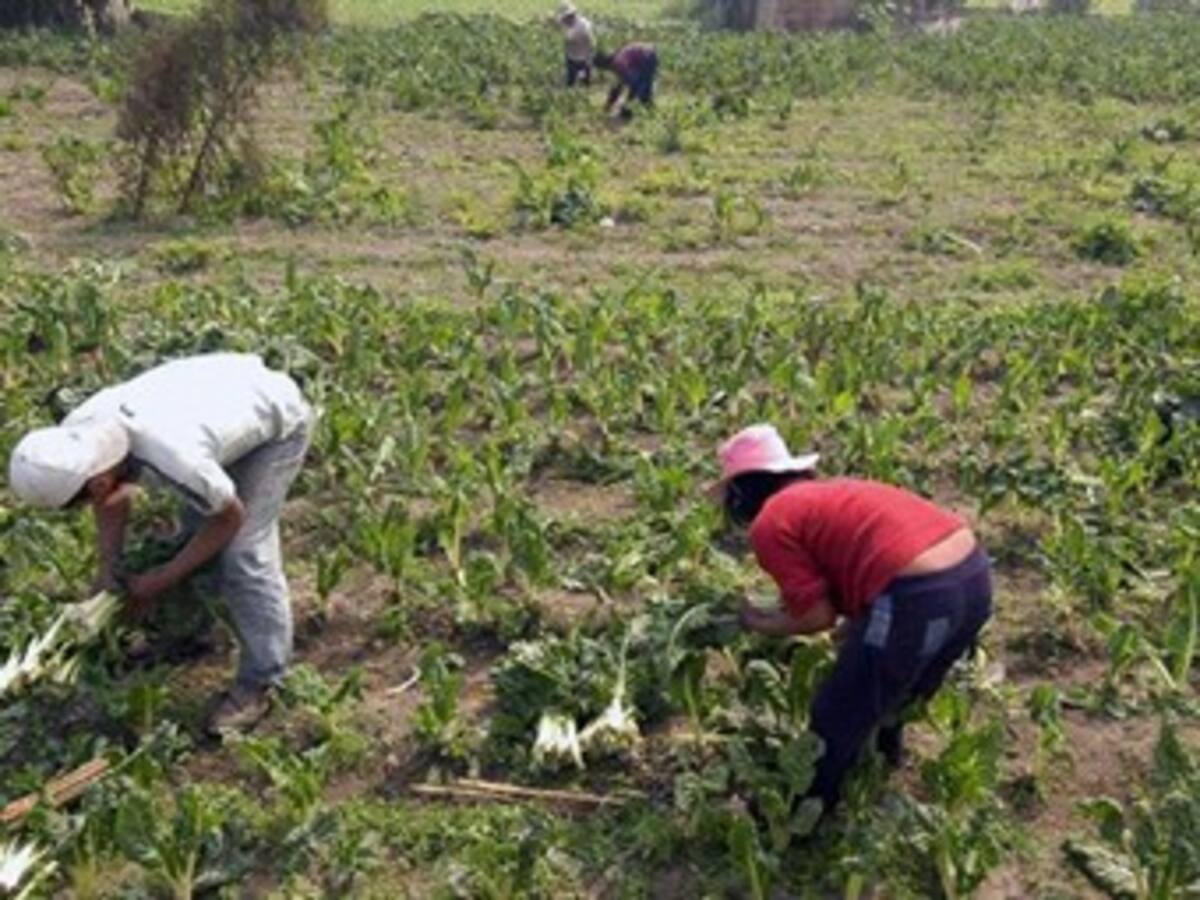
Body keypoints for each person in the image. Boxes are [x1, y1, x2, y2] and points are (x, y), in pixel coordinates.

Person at [7, 353, 313, 735]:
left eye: (80, 502)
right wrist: (109, 570)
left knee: (242, 555)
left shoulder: (173, 455)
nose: (89, 505)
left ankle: (263, 681)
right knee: (192, 540)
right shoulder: (81, 436)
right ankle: (190, 634)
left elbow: (228, 518)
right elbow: (113, 498)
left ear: (95, 481)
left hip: (275, 423)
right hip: (213, 409)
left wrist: (159, 581)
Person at [713, 424, 993, 812]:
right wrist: (862, 624)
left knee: (839, 707)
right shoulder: (831, 493)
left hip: (919, 593)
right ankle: (878, 763)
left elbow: (816, 616)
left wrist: (755, 621)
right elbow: (867, 557)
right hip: (973, 575)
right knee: (898, 685)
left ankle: (800, 814)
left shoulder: (772, 521)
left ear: (743, 491)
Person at [594, 42, 658, 118]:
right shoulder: (616, 60)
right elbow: (617, 86)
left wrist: (626, 105)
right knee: (642, 86)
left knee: (642, 87)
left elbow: (632, 84)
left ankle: (649, 111)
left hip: (647, 56)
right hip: (646, 54)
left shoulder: (618, 64)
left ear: (604, 66)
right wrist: (609, 104)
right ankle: (648, 109)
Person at [553, 2, 595, 88]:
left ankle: (584, 93)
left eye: (566, 17)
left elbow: (569, 37)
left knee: (585, 80)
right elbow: (559, 23)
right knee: (571, 79)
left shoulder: (582, 25)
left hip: (584, 55)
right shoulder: (568, 22)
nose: (564, 20)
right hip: (571, 54)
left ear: (571, 15)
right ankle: (571, 92)